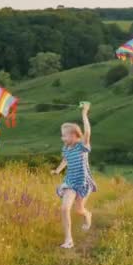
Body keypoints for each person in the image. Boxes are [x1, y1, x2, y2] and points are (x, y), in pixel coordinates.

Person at [51, 102, 97, 249]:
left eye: (64, 135)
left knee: (79, 210)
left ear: (73, 135)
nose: (62, 138)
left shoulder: (82, 146)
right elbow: (65, 160)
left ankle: (87, 215)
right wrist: (58, 170)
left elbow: (88, 133)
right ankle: (68, 239)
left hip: (82, 183)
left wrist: (84, 113)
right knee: (64, 208)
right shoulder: (65, 148)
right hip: (70, 182)